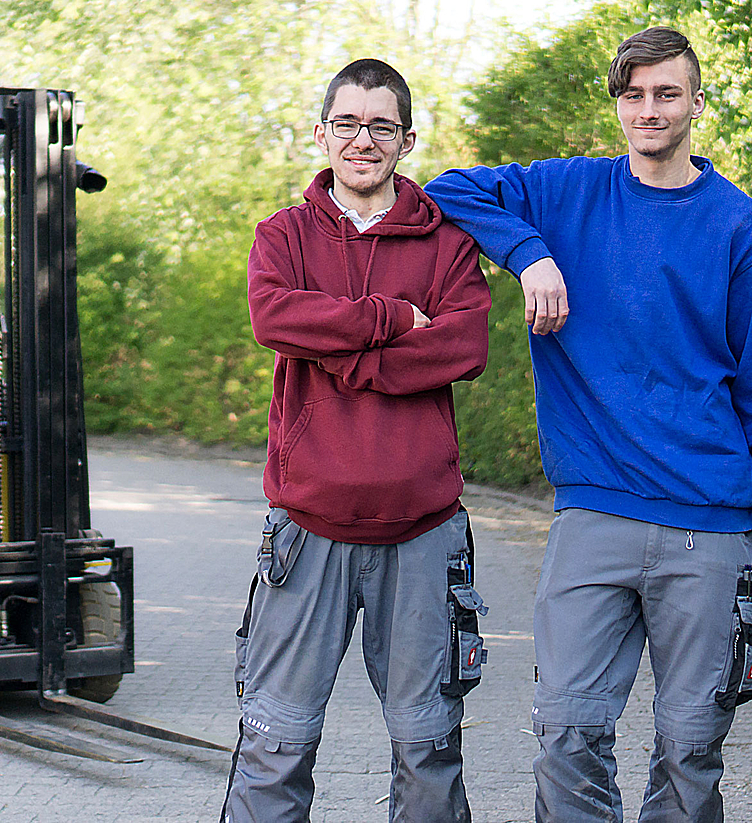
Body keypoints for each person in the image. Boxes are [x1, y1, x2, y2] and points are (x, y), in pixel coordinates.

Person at [423, 26, 752, 822]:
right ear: (618, 105)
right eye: (634, 94)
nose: (650, 109)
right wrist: (530, 253)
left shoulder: (736, 222)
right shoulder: (569, 194)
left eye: (667, 93)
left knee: (691, 744)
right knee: (566, 729)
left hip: (710, 521)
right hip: (593, 513)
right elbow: (449, 189)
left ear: (697, 102)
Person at [226, 58, 491, 823]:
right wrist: (388, 319)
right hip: (306, 531)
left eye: (381, 126)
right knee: (273, 742)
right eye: (347, 123)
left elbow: (463, 348)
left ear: (407, 140)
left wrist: (339, 355)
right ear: (321, 133)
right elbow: (275, 318)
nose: (363, 139)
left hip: (423, 532)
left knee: (429, 746)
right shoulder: (282, 235)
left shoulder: (445, 241)